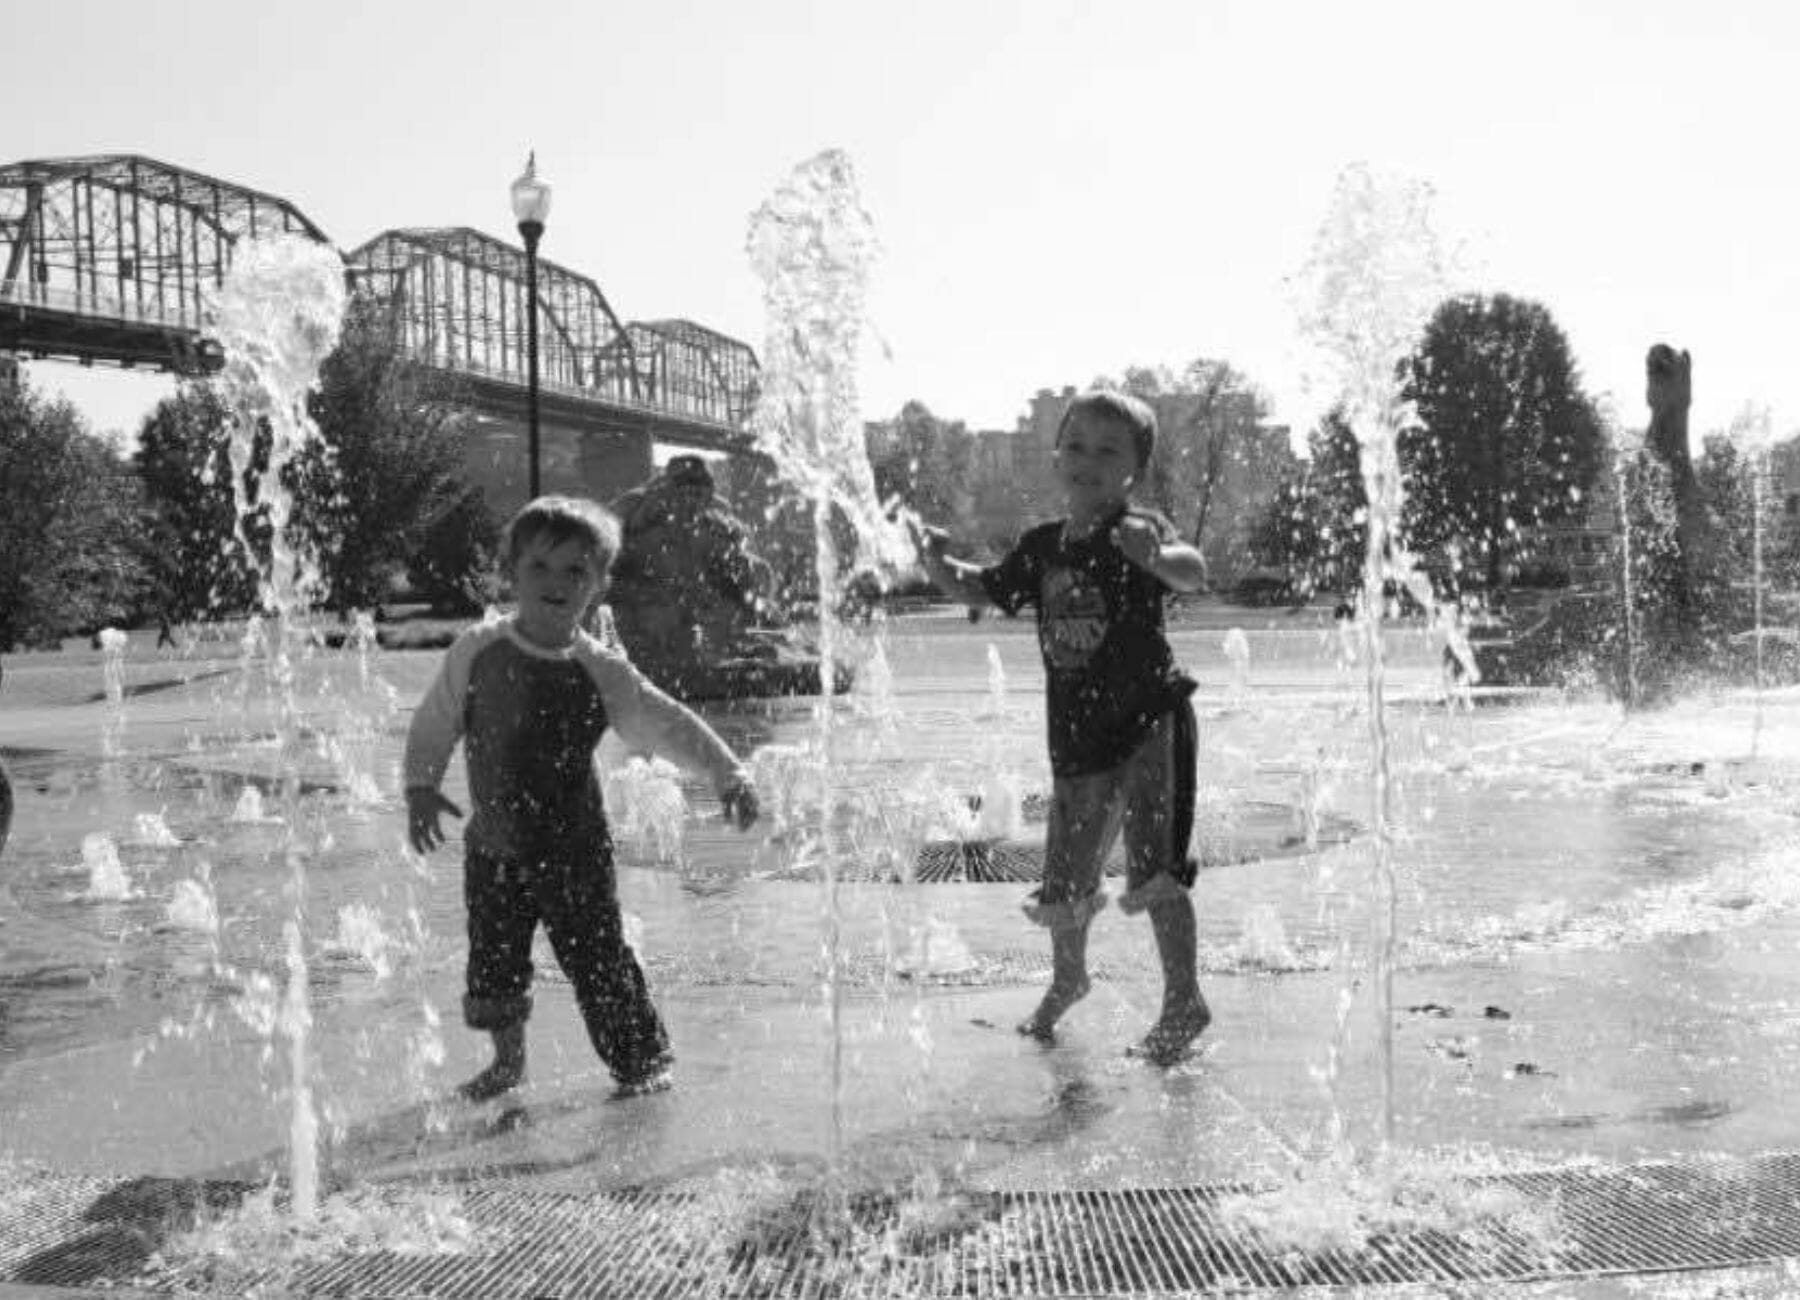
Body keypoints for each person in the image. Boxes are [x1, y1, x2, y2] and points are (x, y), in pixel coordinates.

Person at [404, 494, 760, 1102]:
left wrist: (728, 774)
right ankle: (507, 1062)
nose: (556, 583)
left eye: (576, 570)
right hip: (494, 847)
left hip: (574, 851)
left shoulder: (602, 669)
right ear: (512, 572)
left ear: (598, 583)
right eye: (539, 567)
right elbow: (437, 721)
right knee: (494, 958)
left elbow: (665, 722)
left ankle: (640, 1060)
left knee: (599, 959)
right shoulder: (478, 651)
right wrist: (420, 785)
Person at [917, 390, 1212, 1063]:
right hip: (1079, 741)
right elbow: (984, 588)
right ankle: (1069, 976)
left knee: (1153, 868)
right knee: (1066, 878)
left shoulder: (1137, 530)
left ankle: (1182, 1001)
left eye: (1109, 451)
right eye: (1076, 445)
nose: (1088, 460)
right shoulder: (1043, 546)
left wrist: (1158, 560)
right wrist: (936, 564)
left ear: (1133, 470)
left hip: (1148, 727)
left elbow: (1194, 571)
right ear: (1056, 455)